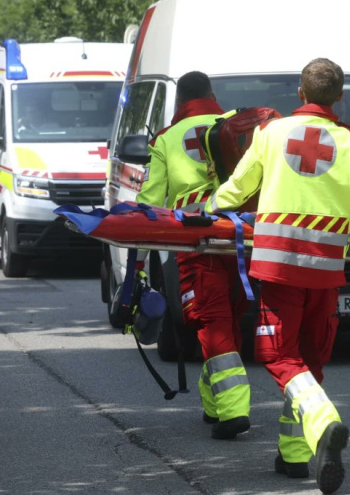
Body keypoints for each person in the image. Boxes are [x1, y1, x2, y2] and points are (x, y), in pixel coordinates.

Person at [205, 58, 350, 494]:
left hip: (280, 265)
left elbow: (241, 187)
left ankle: (324, 422)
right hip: (325, 270)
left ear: (299, 94)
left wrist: (208, 208)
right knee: (309, 358)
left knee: (278, 356)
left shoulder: (271, 132)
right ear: (340, 97)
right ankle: (295, 456)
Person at [136, 71, 252, 440]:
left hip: (195, 242)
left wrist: (138, 260)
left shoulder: (166, 139)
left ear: (178, 102)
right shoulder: (234, 123)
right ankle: (214, 404)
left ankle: (233, 410)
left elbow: (150, 204)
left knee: (211, 319)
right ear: (212, 94)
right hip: (239, 237)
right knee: (227, 318)